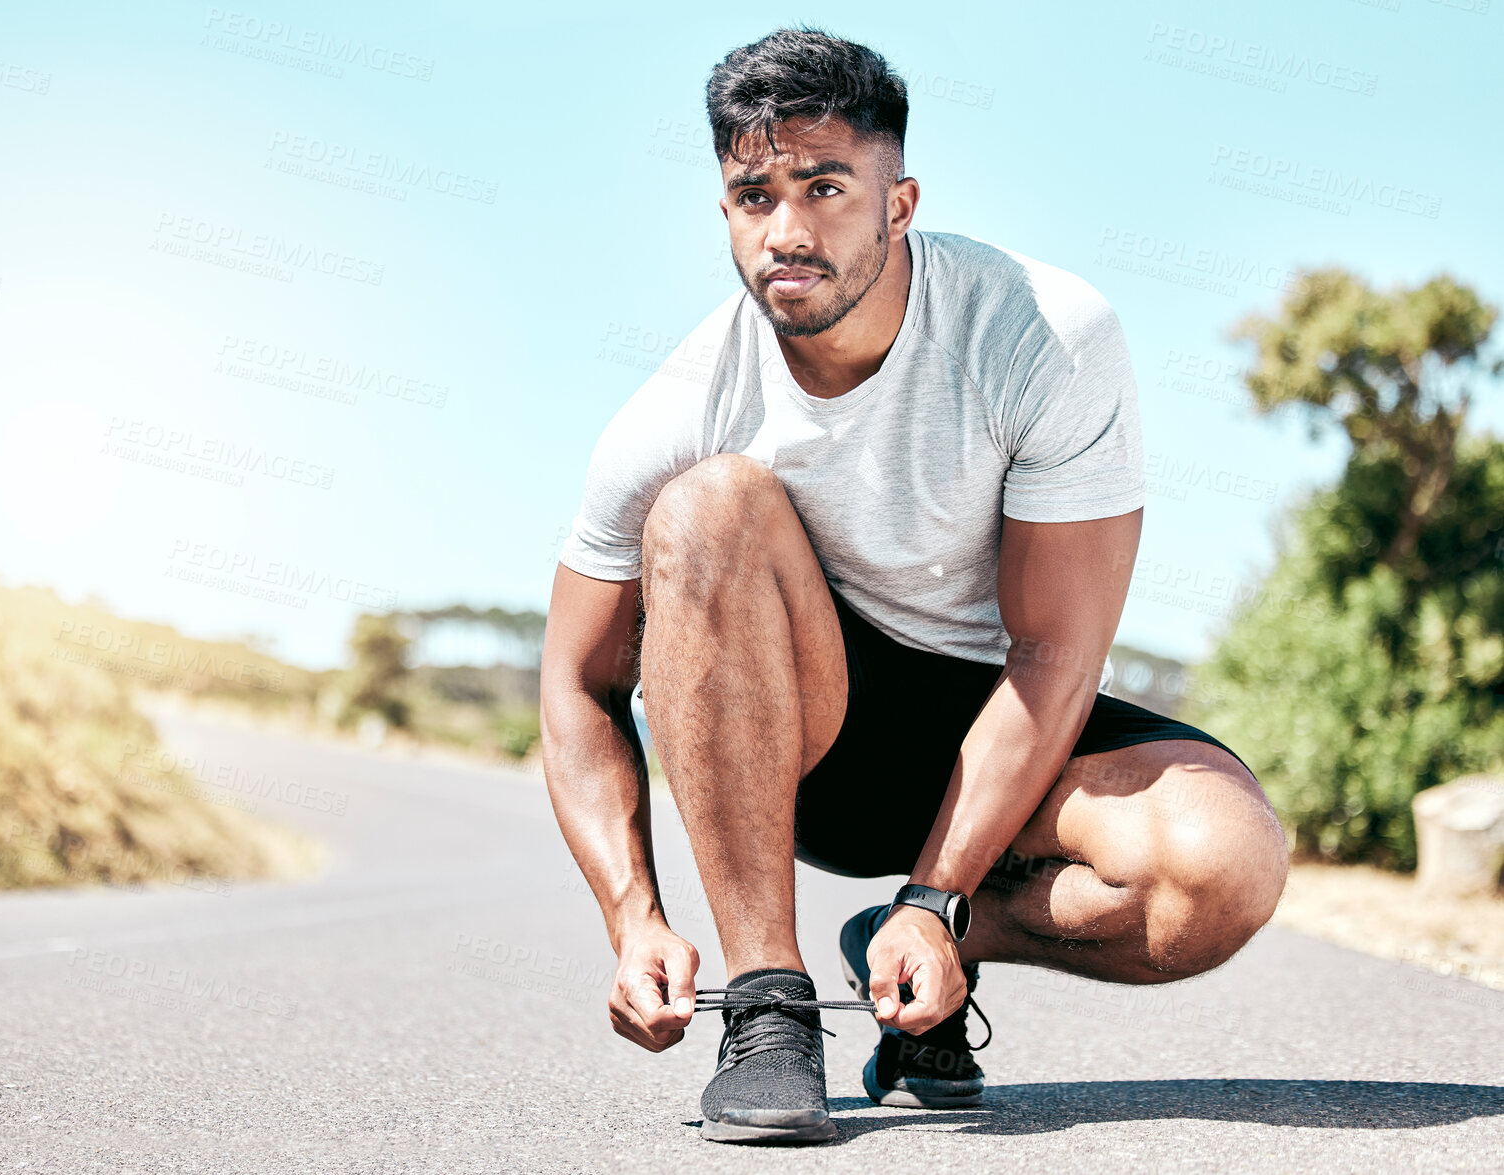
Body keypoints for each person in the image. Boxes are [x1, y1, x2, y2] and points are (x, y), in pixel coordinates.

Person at [538, 26, 1288, 1145]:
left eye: (825, 185)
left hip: (1011, 723)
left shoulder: (1041, 333)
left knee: (1220, 864)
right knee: (706, 503)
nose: (786, 230)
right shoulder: (680, 403)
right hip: (809, 739)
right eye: (753, 194)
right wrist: (631, 915)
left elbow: (1054, 655)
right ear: (724, 209)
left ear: (899, 202)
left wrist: (937, 903)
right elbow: (576, 683)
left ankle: (918, 941)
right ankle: (769, 1004)